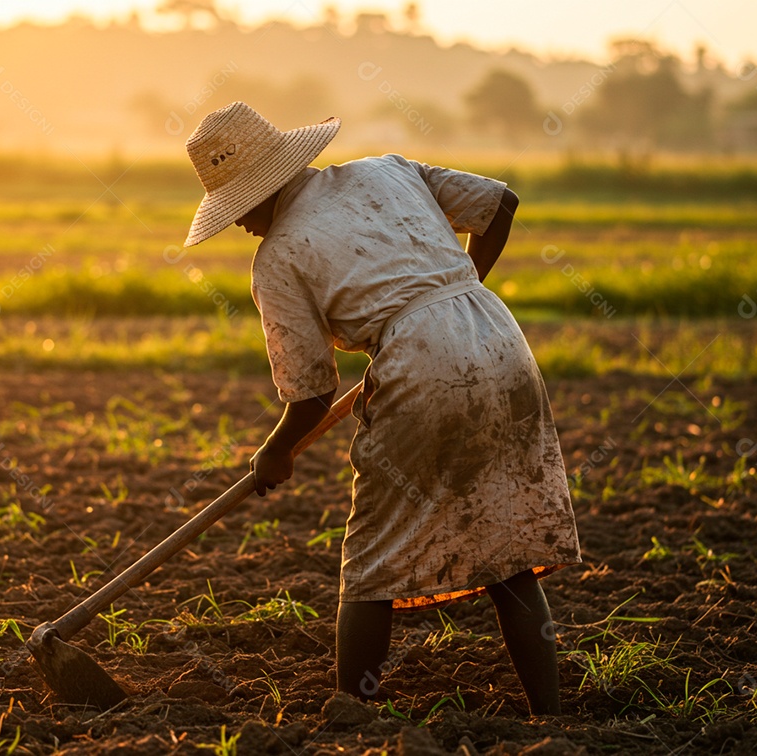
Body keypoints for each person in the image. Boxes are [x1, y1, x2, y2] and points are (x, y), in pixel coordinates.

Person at [182, 102, 581, 716]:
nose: (239, 226)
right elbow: (501, 205)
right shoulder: (386, 169)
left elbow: (312, 392)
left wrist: (276, 451)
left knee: (370, 562)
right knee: (507, 550)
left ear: (266, 188)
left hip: (421, 359)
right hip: (498, 337)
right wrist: (451, 292)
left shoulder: (278, 259)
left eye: (239, 209)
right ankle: (552, 718)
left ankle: (351, 716)